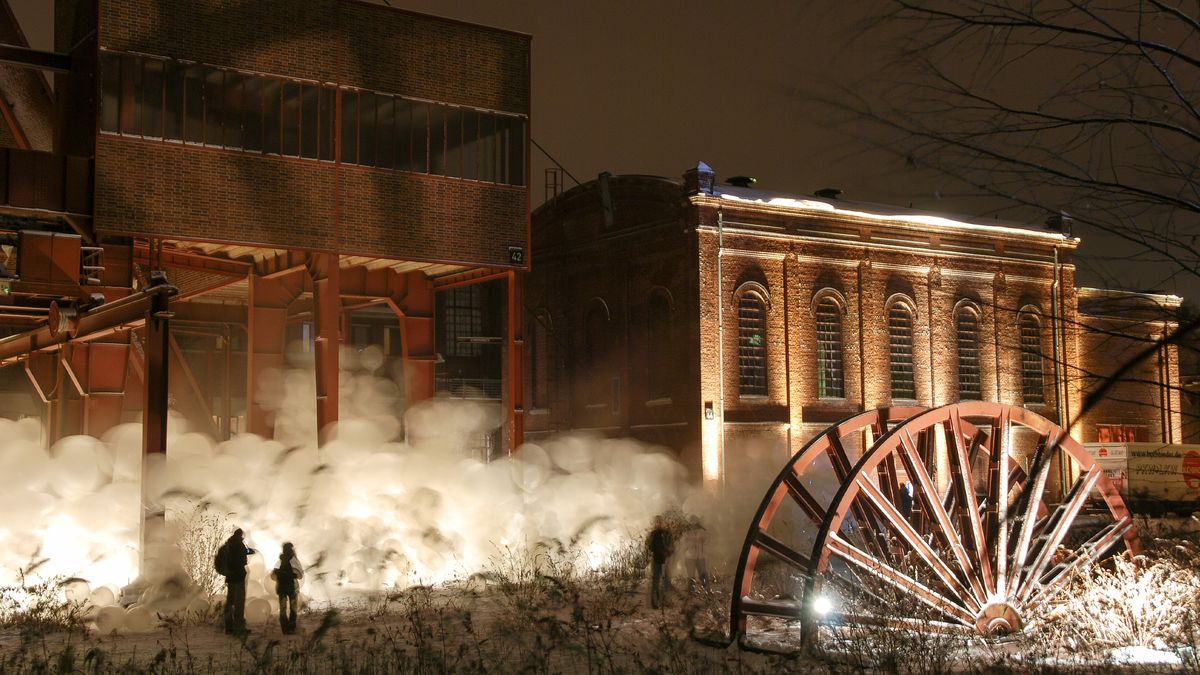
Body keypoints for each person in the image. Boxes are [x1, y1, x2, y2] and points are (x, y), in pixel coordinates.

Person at [215, 528, 255, 635]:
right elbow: (243, 554)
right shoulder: (239, 545)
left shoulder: (228, 545)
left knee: (230, 601)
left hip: (231, 577)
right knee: (239, 603)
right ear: (241, 535)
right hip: (238, 577)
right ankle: (239, 627)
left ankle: (229, 626)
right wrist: (250, 551)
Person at [271, 542, 304, 634]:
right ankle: (291, 628)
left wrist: (280, 574)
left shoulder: (280, 560)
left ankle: (285, 629)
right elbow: (300, 575)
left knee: (283, 609)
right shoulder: (294, 560)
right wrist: (292, 575)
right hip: (292, 588)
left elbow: (273, 575)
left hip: (282, 588)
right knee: (293, 609)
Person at [646, 515, 674, 609]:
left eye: (660, 522)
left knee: (666, 581)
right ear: (655, 523)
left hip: (665, 560)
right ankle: (655, 602)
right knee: (656, 582)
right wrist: (654, 550)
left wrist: (668, 552)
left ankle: (666, 601)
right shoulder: (653, 534)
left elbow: (672, 546)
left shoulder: (667, 533)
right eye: (657, 522)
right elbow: (648, 546)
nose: (659, 523)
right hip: (656, 560)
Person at [680, 515, 709, 591]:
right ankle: (691, 590)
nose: (693, 523)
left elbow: (707, 541)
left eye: (694, 521)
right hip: (690, 556)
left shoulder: (702, 531)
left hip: (700, 556)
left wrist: (702, 543)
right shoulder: (686, 532)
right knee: (691, 575)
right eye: (692, 521)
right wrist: (689, 544)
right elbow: (683, 542)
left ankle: (706, 589)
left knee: (703, 573)